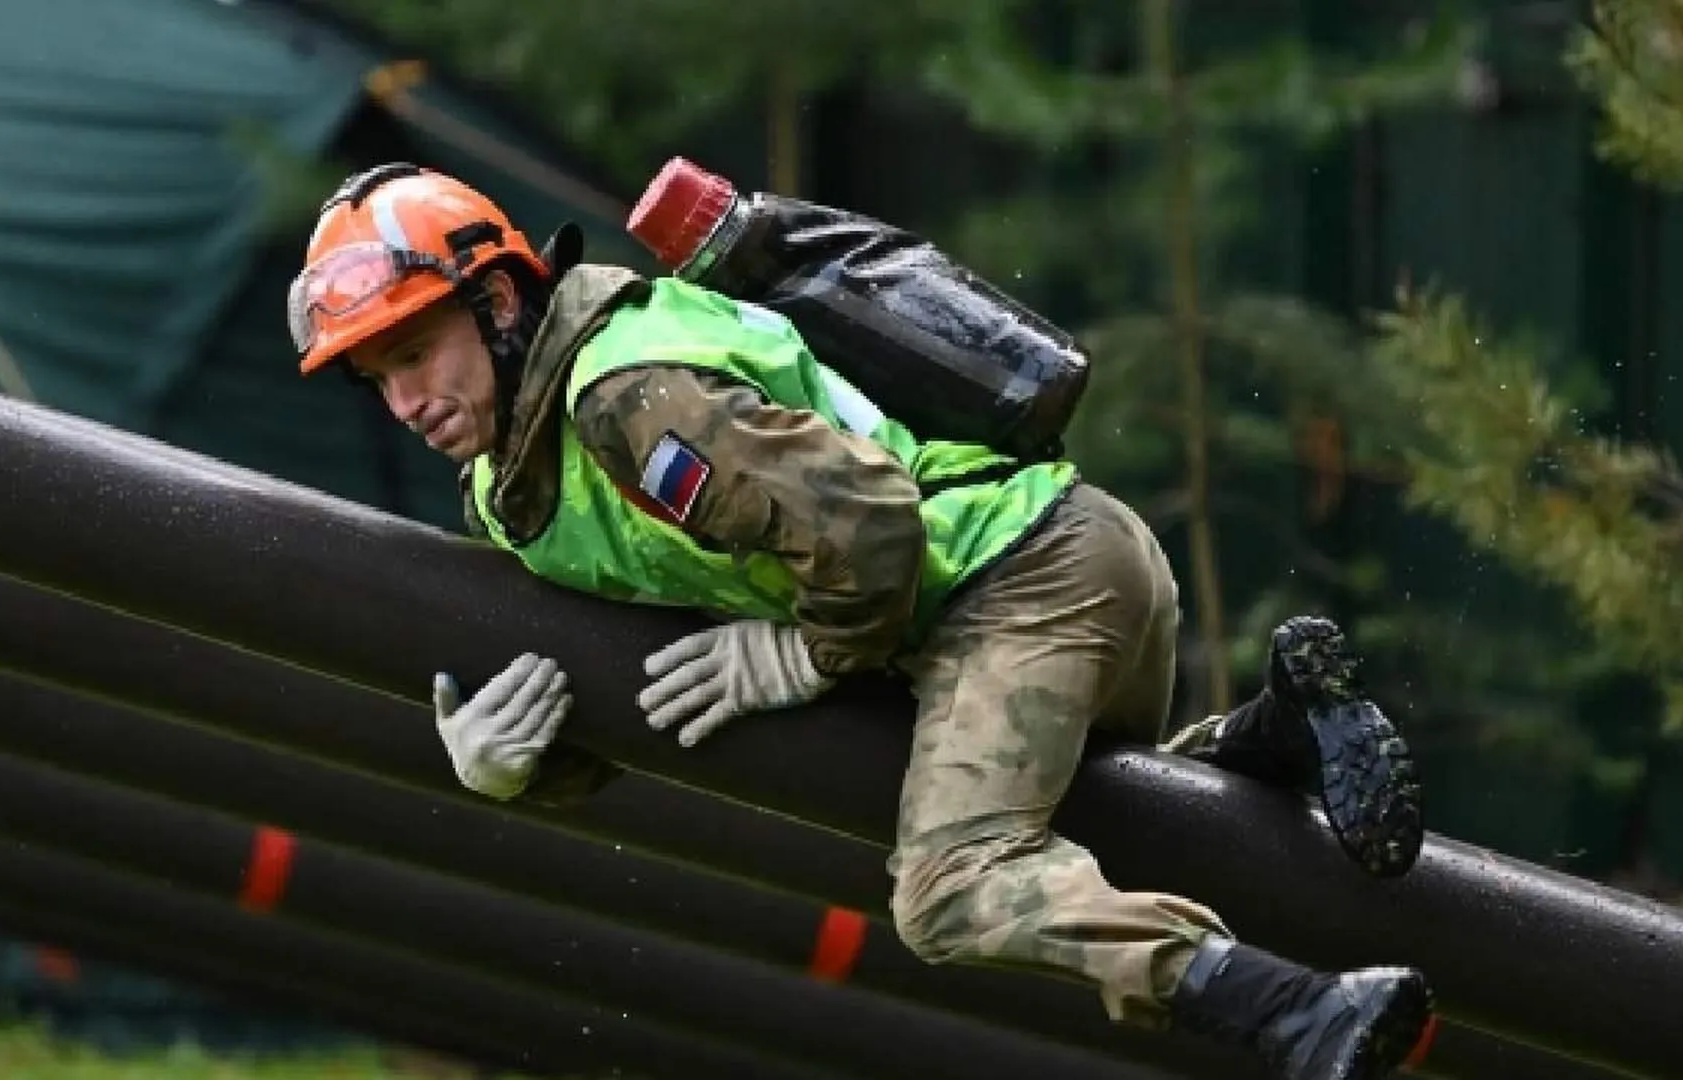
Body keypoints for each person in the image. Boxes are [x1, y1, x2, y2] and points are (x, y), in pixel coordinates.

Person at [287, 163, 1435, 1080]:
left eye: (414, 354)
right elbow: (648, 674)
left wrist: (808, 651)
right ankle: (1269, 738)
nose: (406, 404)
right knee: (1104, 822)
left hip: (1017, 575)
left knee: (952, 889)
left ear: (494, 304)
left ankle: (1304, 1015)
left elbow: (871, 529)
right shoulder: (515, 485)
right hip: (1043, 584)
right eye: (375, 380)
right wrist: (518, 769)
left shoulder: (628, 394)